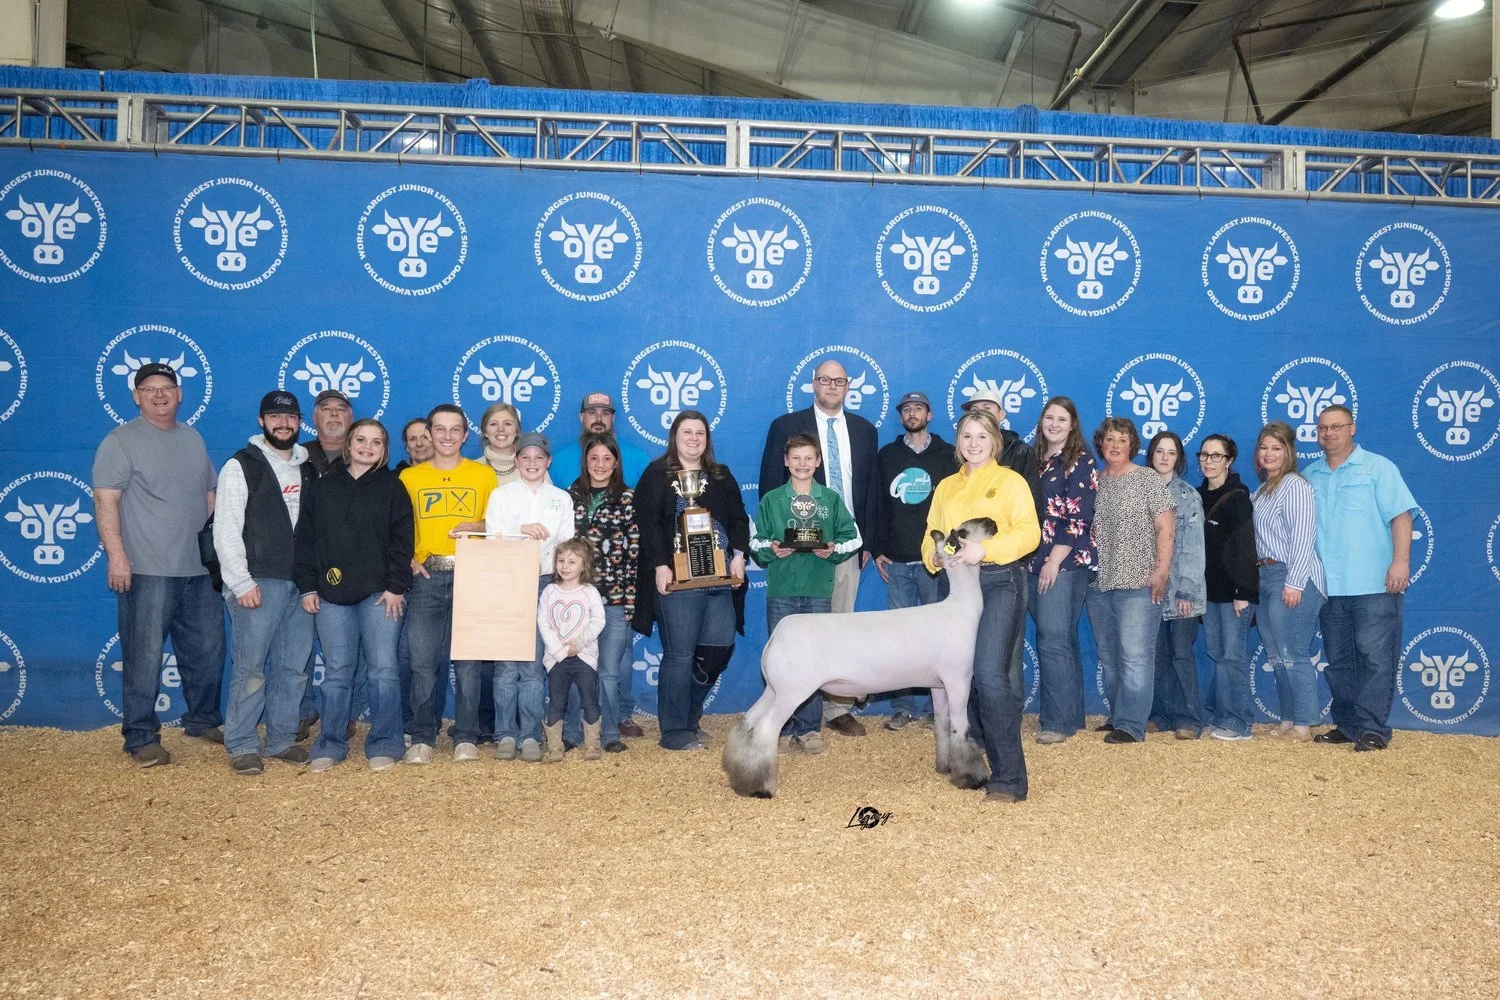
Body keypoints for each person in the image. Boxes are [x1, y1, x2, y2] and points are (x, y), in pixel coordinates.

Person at [92, 362, 225, 767]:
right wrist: (117, 556)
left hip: (198, 571)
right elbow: (105, 499)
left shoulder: (192, 438)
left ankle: (202, 720)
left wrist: (217, 556)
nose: (159, 395)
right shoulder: (120, 441)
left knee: (207, 652)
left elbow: (209, 496)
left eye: (167, 387)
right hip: (146, 569)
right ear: (136, 397)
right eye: (149, 389)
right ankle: (140, 736)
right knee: (143, 656)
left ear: (180, 393)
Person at [920, 409, 1040, 802]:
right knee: (962, 679)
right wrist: (933, 558)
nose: (974, 444)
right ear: (958, 442)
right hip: (954, 588)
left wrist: (985, 549)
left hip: (999, 581)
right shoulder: (945, 487)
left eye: (981, 437)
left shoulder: (1011, 481)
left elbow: (1029, 533)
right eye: (967, 437)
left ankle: (1010, 779)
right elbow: (930, 535)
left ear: (995, 441)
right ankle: (973, 759)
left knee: (990, 675)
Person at [758, 358, 878, 737]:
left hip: (842, 545)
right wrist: (776, 541)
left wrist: (866, 540)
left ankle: (835, 707)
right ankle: (788, 705)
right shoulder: (786, 426)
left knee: (838, 626)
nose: (831, 386)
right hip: (794, 554)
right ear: (812, 384)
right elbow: (768, 487)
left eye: (839, 381)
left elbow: (870, 488)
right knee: (794, 633)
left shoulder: (864, 430)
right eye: (824, 380)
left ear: (847, 387)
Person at [294, 418, 413, 773]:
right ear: (349, 445)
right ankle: (330, 743)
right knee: (337, 672)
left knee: (383, 670)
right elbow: (307, 540)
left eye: (376, 442)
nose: (367, 447)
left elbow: (401, 540)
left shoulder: (393, 488)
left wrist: (396, 586)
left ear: (384, 450)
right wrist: (308, 585)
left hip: (380, 595)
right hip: (331, 595)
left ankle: (386, 742)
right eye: (361, 440)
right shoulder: (322, 488)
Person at [214, 390, 318, 776]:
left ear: (299, 422)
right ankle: (241, 743)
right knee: (251, 668)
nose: (283, 423)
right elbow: (225, 529)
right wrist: (241, 582)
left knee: (293, 667)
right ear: (261, 421)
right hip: (258, 581)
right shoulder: (240, 466)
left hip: (300, 583)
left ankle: (280, 739)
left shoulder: (307, 467)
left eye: (290, 418)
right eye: (275, 417)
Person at [1304, 405, 1416, 751]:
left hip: (1374, 584)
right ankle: (1349, 724)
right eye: (1322, 428)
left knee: (1375, 658)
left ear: (1352, 428)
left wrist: (1400, 563)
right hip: (1330, 586)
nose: (1328, 433)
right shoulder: (1310, 475)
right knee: (1339, 661)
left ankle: (1372, 728)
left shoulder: (1378, 468)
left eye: (1336, 427)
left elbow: (1401, 516)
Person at [636, 410, 749, 751]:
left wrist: (740, 555)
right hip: (677, 580)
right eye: (687, 432)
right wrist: (659, 564)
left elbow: (739, 518)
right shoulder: (657, 474)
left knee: (719, 648)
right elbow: (648, 523)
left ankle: (689, 713)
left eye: (700, 433)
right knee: (680, 655)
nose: (694, 438)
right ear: (674, 436)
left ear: (707, 438)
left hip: (718, 579)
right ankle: (674, 731)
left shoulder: (721, 475)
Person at [750, 434, 861, 754]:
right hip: (782, 591)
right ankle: (782, 729)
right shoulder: (772, 500)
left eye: (808, 458)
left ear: (818, 462)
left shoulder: (830, 499)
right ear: (786, 461)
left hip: (817, 590)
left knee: (814, 664)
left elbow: (852, 538)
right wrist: (771, 550)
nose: (801, 464)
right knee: (784, 663)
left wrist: (833, 550)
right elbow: (756, 543)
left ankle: (810, 730)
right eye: (795, 458)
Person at [399, 403, 497, 765]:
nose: (447, 437)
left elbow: (497, 523)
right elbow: (396, 527)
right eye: (439, 430)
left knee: (468, 662)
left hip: (471, 571)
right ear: (429, 434)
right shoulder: (410, 478)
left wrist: (480, 526)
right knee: (423, 662)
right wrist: (406, 557)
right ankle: (423, 736)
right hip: (426, 576)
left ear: (465, 435)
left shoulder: (483, 476)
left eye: (455, 430)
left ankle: (466, 736)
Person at [485, 432, 575, 762]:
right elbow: (491, 538)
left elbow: (567, 543)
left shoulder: (561, 499)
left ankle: (530, 735)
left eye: (539, 458)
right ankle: (505, 733)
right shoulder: (501, 495)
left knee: (534, 665)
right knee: (507, 666)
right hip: (508, 583)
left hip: (545, 583)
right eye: (525, 457)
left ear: (548, 462)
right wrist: (521, 530)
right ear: (516, 461)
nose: (532, 463)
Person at [1086, 417, 1174, 745]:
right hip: (1099, 581)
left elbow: (1166, 527)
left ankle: (1132, 725)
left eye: (1122, 440)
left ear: (1132, 445)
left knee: (1135, 656)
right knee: (1108, 656)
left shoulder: (1147, 478)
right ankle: (1118, 715)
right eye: (1109, 439)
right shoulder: (1095, 481)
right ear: (1101, 444)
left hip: (1138, 579)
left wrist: (1161, 570)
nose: (1115, 445)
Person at [872, 391, 954, 730]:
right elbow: (876, 502)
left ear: (930, 414)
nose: (912, 413)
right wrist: (877, 547)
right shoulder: (887, 455)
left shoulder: (950, 455)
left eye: (919, 407)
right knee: (900, 641)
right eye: (906, 409)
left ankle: (940, 710)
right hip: (899, 562)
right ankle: (902, 707)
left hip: (935, 563)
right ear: (901, 416)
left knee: (938, 641)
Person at [1028, 397, 1098, 745]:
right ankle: (1070, 717)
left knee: (1053, 639)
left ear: (1073, 425)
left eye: (1062, 419)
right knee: (1061, 639)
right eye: (1049, 417)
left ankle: (1056, 722)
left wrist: (1053, 561)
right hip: (1029, 558)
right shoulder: (1033, 458)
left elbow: (1080, 518)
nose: (1054, 424)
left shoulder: (1080, 462)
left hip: (1063, 562)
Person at [567, 434, 642, 753]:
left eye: (606, 459)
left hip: (613, 600)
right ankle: (571, 732)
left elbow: (633, 552)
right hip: (576, 598)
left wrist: (629, 601)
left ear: (616, 463)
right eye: (594, 458)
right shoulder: (570, 495)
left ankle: (610, 733)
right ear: (586, 461)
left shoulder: (627, 497)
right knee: (575, 668)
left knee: (610, 671)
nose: (600, 465)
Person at [1252, 421, 1326, 742]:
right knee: (1276, 652)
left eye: (1276, 448)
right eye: (1264, 447)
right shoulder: (1262, 492)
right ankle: (1288, 718)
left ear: (1289, 452)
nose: (1269, 454)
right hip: (1266, 575)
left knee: (1292, 650)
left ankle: (1304, 724)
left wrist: (1295, 582)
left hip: (1294, 574)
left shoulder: (1294, 485)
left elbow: (1302, 536)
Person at [1196, 434, 1260, 742]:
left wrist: (1243, 592)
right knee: (1217, 652)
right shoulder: (1196, 496)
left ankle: (1239, 722)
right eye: (1205, 455)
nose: (1209, 462)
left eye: (1216, 456)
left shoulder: (1237, 498)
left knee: (1232, 655)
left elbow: (1246, 548)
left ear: (1229, 461)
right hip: (1206, 593)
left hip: (1233, 593)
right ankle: (1222, 715)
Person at [1144, 432, 1206, 741]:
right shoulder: (1141, 491)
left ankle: (1189, 718)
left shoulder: (1187, 495)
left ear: (1178, 458)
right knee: (1156, 655)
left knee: (1182, 653)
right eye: (1159, 451)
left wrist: (1186, 589)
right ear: (1151, 455)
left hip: (1182, 591)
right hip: (1150, 590)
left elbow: (1193, 547)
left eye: (1171, 452)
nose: (1165, 457)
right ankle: (1160, 714)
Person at [538, 538, 608, 763]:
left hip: (584, 657)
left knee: (590, 700)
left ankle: (592, 745)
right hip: (556, 659)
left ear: (584, 566)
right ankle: (555, 747)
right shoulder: (549, 591)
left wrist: (578, 644)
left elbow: (598, 621)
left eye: (571, 561)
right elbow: (544, 623)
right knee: (557, 702)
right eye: (561, 560)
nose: (564, 566)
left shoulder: (589, 592)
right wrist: (559, 651)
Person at [393, 416, 441, 739]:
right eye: (413, 439)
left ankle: (428, 721)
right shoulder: (397, 479)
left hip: (434, 575)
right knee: (403, 654)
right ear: (406, 445)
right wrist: (403, 560)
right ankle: (406, 720)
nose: (420, 443)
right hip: (399, 575)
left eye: (426, 436)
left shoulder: (446, 478)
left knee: (428, 654)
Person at [960, 387, 1043, 518]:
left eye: (987, 408)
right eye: (975, 410)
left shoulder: (1021, 452)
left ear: (1001, 415)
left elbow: (1034, 508)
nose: (981, 414)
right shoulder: (963, 452)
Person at [551, 391, 651, 489]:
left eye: (605, 413)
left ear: (613, 418)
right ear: (581, 417)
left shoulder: (638, 458)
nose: (599, 419)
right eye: (592, 412)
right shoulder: (559, 460)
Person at [304, 389, 352, 476]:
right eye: (326, 409)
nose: (334, 413)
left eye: (341, 409)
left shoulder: (363, 455)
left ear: (351, 419)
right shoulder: (298, 454)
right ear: (314, 418)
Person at [477, 402, 523, 486]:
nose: (501, 429)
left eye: (507, 424)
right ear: (485, 432)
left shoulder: (533, 468)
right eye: (493, 424)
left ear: (516, 431)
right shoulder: (473, 469)